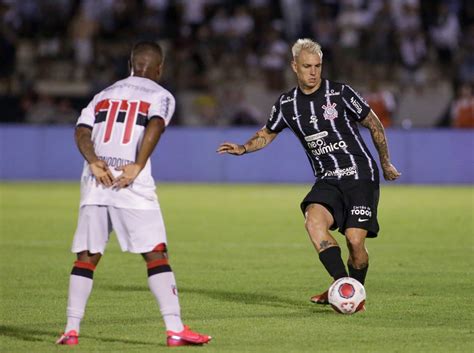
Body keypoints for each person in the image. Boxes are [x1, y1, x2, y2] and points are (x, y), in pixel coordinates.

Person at [217, 38, 400, 307]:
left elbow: (374, 125)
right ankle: (342, 286)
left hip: (359, 174)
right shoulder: (287, 104)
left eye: (317, 66)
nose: (313, 72)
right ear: (294, 67)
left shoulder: (340, 94)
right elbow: (268, 133)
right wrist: (244, 147)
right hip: (327, 178)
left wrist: (385, 163)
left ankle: (349, 287)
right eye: (306, 66)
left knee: (355, 243)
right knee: (313, 222)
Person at [56, 41, 211, 347]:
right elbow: (156, 124)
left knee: (86, 256)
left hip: (95, 180)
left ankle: (71, 330)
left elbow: (81, 131)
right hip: (131, 184)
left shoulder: (103, 94)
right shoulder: (161, 95)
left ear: (131, 64)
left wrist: (94, 161)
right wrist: (137, 164)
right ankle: (175, 328)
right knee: (155, 253)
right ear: (159, 67)